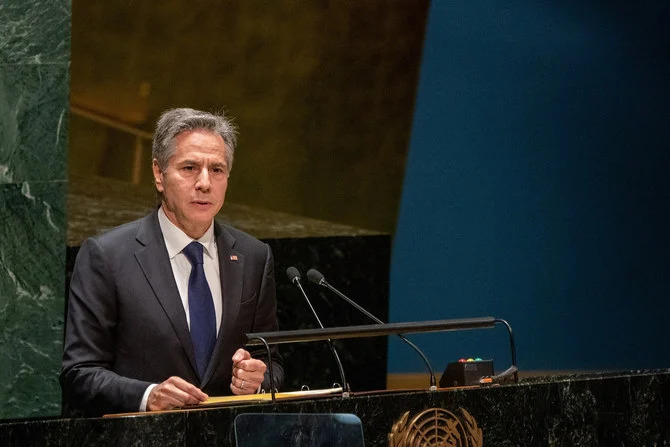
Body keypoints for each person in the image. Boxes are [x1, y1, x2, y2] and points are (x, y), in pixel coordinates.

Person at [60, 107, 283, 416]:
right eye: (190, 167)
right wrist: (148, 396)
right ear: (158, 174)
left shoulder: (254, 257)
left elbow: (272, 362)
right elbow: (79, 373)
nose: (205, 183)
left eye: (217, 170)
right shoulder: (107, 256)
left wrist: (257, 379)